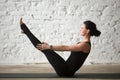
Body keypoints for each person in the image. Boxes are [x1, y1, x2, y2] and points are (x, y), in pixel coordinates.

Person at [19, 18, 101, 77]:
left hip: (65, 71)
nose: (80, 29)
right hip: (66, 69)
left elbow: (66, 47)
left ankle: (25, 30)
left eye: (82, 28)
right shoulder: (84, 43)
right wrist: (48, 46)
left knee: (44, 48)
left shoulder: (84, 45)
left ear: (88, 31)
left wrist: (49, 47)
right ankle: (26, 31)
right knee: (45, 48)